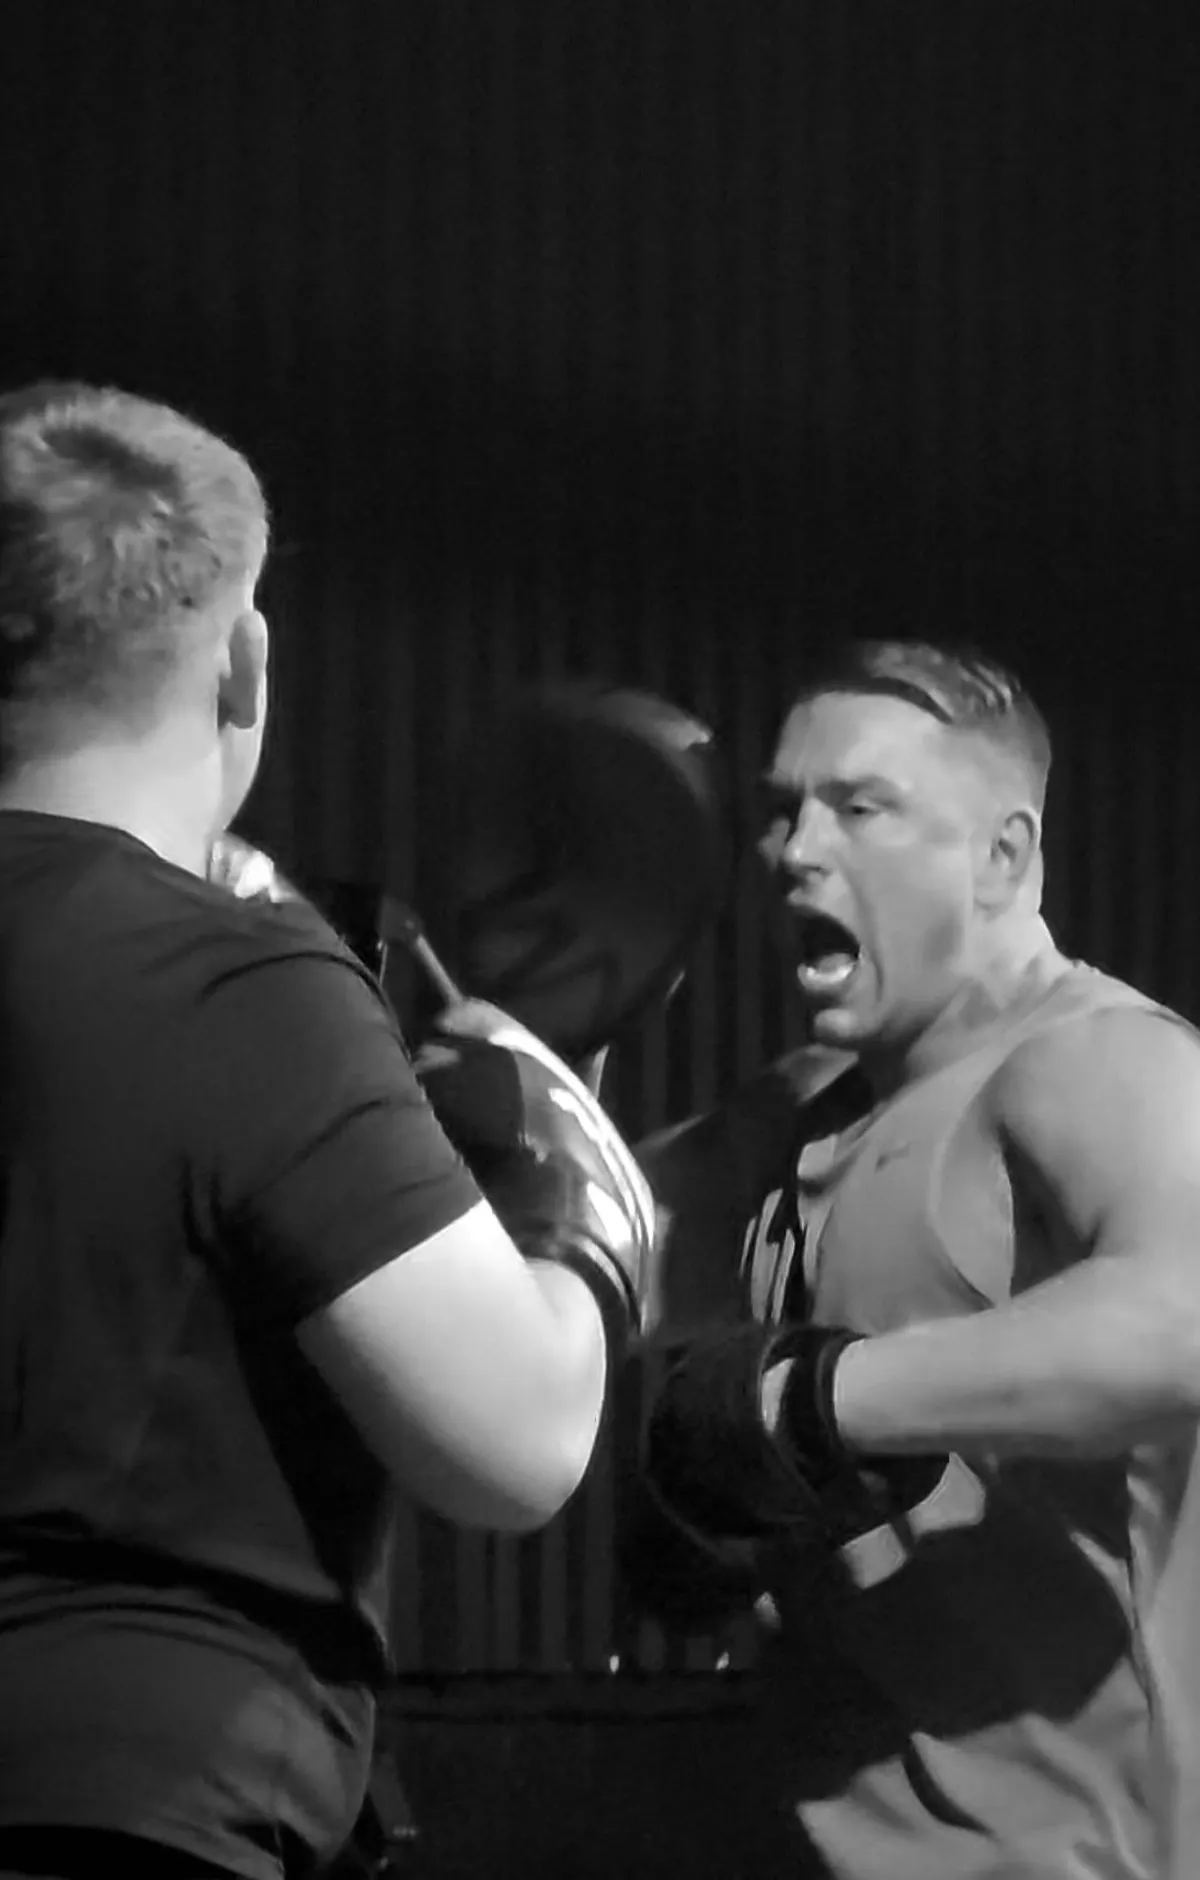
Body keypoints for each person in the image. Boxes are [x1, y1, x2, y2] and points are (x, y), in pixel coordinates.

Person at [0, 382, 653, 1880]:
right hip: (133, 1814)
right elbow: (522, 1440)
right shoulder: (233, 981)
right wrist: (571, 1203)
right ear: (243, 663)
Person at [631, 639, 1200, 1879]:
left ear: (1002, 855)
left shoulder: (1102, 1062)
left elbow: (1184, 1319)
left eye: (860, 807)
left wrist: (817, 1405)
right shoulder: (795, 1117)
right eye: (785, 810)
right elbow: (570, 1213)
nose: (795, 848)